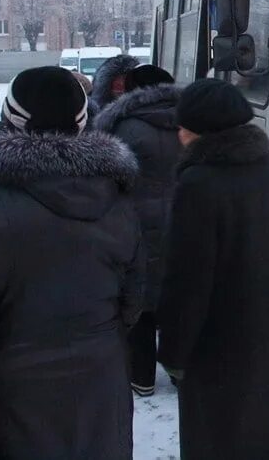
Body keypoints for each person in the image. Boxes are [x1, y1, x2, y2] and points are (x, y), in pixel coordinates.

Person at [0, 67, 144, 459]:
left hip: (13, 394)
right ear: (82, 120)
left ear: (11, 118)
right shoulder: (119, 197)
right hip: (100, 385)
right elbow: (133, 301)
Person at [157, 79, 269, 460]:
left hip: (221, 350)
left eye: (184, 125)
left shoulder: (198, 183)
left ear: (200, 130)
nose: (179, 132)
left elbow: (187, 280)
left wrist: (173, 351)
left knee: (227, 442)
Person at [93, 63, 180, 397]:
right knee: (176, 297)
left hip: (136, 225)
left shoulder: (122, 126)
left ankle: (141, 376)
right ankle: (178, 368)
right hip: (183, 220)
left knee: (141, 303)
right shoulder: (190, 120)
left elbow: (108, 181)